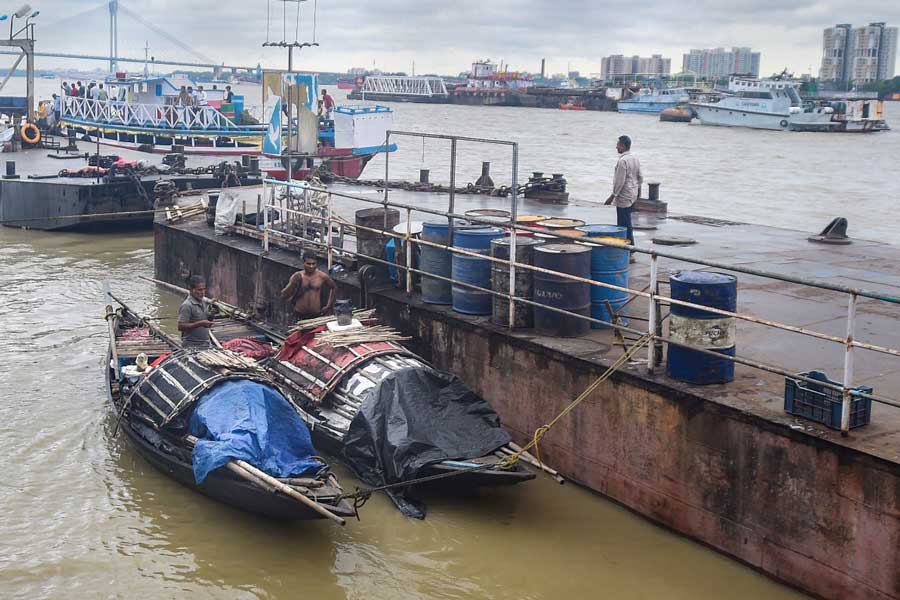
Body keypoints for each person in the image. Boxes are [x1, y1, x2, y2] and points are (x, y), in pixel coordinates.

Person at [604, 134, 642, 263]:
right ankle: (628, 248)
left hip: (624, 196)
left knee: (623, 224)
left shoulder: (622, 161)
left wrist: (612, 196)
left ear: (623, 146)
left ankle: (628, 249)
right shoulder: (635, 158)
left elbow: (619, 181)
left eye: (618, 144)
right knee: (627, 222)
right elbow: (640, 177)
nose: (616, 147)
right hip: (632, 194)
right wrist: (637, 193)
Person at [280, 253, 336, 319]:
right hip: (299, 313)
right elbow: (284, 295)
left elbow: (333, 287)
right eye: (308, 264)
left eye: (313, 264)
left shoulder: (322, 276)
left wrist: (329, 305)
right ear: (303, 263)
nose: (311, 266)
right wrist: (293, 283)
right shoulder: (297, 276)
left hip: (316, 313)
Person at [178, 275, 215, 348]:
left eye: (204, 289)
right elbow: (181, 326)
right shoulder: (187, 305)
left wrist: (211, 315)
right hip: (192, 346)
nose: (202, 292)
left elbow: (207, 320)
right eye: (199, 290)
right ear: (191, 289)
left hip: (205, 343)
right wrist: (200, 323)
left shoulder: (203, 302)